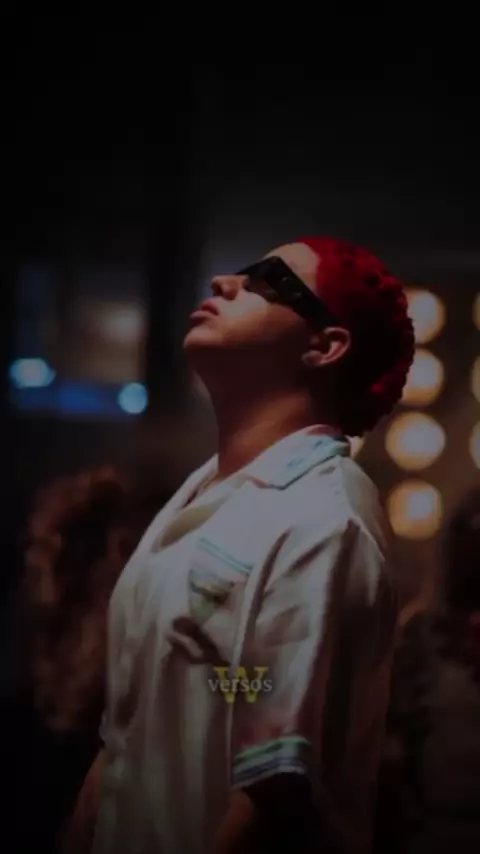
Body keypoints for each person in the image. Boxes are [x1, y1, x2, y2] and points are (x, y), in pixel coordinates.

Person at [81, 237, 414, 854]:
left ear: (326, 346)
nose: (225, 283)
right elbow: (124, 737)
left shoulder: (322, 515)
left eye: (270, 281)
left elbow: (276, 791)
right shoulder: (203, 493)